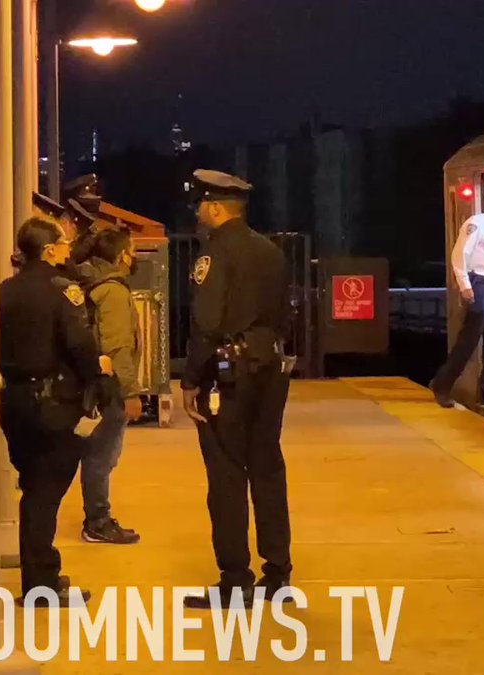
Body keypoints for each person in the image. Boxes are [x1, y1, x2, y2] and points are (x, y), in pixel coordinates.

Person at [180, 169, 294, 609]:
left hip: (229, 374)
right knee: (268, 467)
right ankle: (277, 574)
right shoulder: (271, 252)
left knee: (227, 473)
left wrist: (191, 379)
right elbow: (283, 312)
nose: (197, 213)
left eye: (200, 206)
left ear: (214, 207)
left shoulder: (214, 254)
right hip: (271, 365)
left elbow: (207, 324)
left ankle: (235, 579)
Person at [0, 216, 111, 604]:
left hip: (13, 402)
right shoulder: (63, 292)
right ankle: (40, 586)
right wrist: (101, 377)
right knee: (45, 493)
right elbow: (79, 345)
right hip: (52, 405)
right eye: (62, 244)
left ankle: (42, 573)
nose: (68, 249)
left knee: (34, 488)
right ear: (48, 251)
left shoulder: (4, 292)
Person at [74, 228, 144, 544]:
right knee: (102, 455)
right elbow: (118, 347)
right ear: (120, 256)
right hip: (111, 386)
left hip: (101, 383)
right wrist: (130, 392)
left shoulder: (96, 285)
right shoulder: (113, 292)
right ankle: (98, 521)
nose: (135, 256)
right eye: (133, 250)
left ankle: (97, 518)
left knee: (100, 454)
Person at [430, 189, 484, 409]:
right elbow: (459, 254)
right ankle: (443, 383)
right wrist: (465, 285)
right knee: (470, 338)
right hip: (482, 283)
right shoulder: (478, 223)